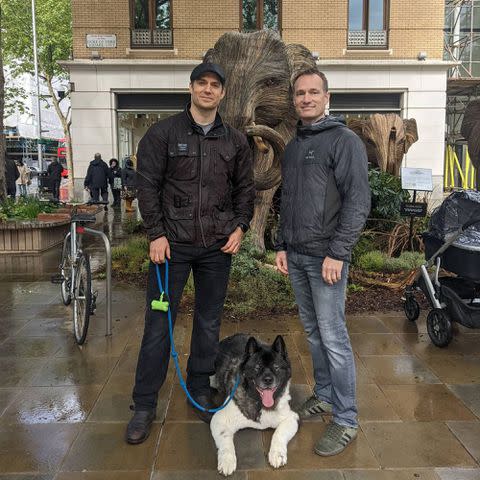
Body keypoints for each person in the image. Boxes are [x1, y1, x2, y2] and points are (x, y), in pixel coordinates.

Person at [126, 62, 254, 445]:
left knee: (208, 322)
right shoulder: (162, 134)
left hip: (216, 247)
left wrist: (240, 226)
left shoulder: (235, 141)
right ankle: (144, 403)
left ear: (223, 93)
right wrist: (156, 233)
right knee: (157, 326)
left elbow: (244, 191)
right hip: (172, 249)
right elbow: (147, 186)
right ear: (191, 88)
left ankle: (199, 386)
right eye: (202, 83)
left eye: (216, 84)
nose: (208, 90)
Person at [275, 67, 370, 456]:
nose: (307, 98)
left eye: (314, 92)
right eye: (300, 93)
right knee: (313, 334)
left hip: (326, 258)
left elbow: (358, 201)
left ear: (327, 97)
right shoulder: (295, 145)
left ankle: (345, 418)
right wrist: (281, 244)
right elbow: (289, 199)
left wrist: (338, 252)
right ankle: (326, 395)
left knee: (333, 338)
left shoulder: (344, 141)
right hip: (296, 255)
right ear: (294, 100)